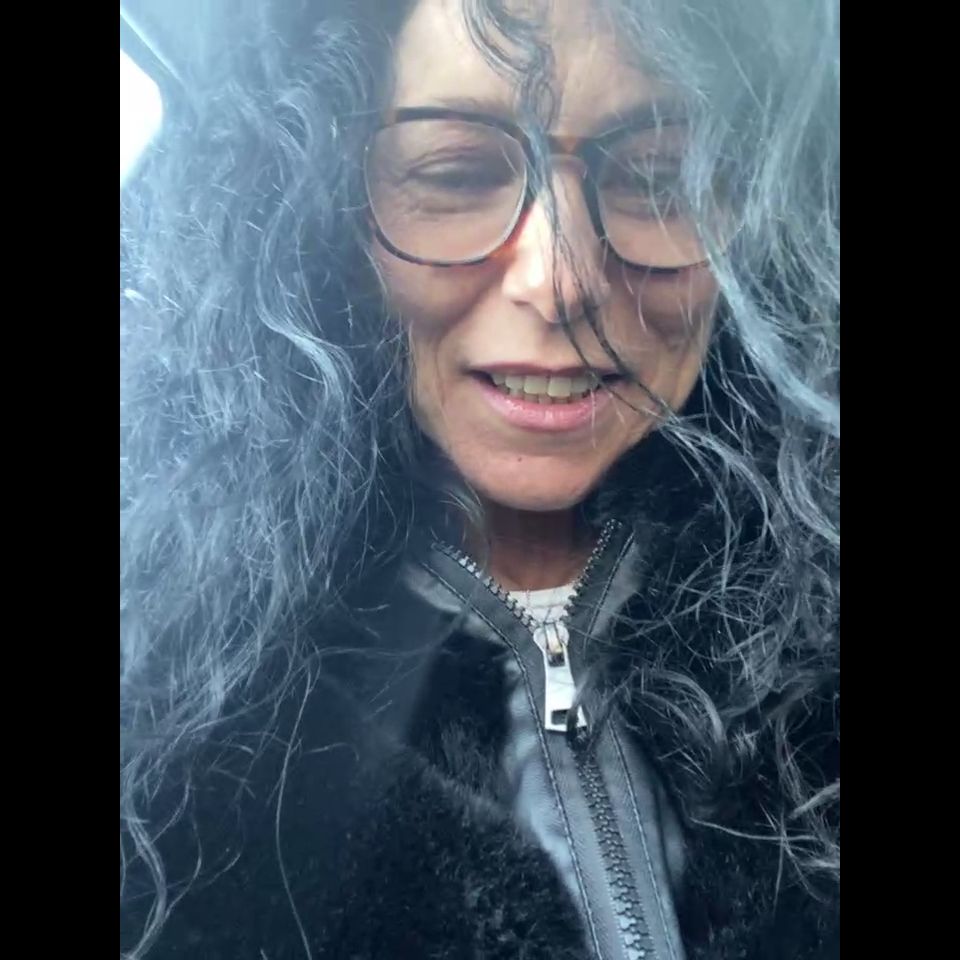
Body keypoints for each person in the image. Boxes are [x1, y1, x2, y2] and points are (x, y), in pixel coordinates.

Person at [119, 0, 840, 957]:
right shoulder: (165, 695)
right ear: (318, 218)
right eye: (455, 174)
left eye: (658, 177)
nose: (563, 279)